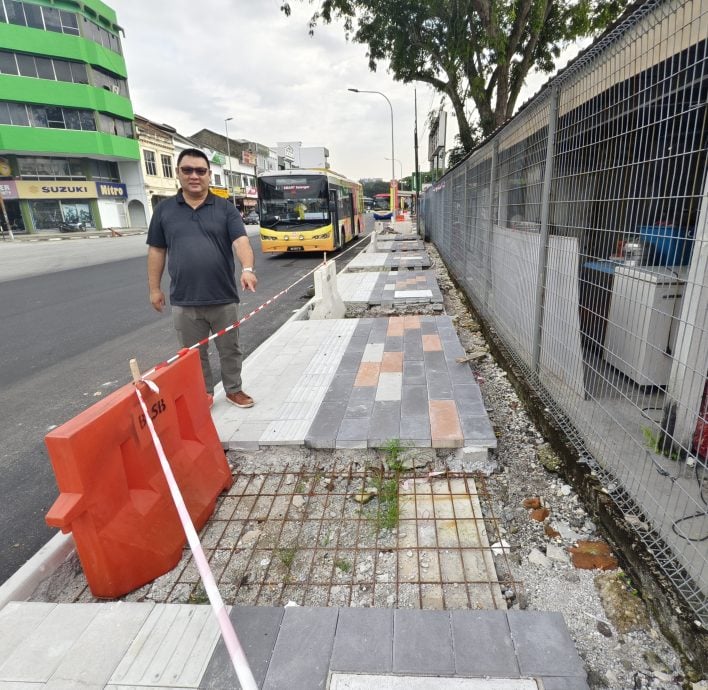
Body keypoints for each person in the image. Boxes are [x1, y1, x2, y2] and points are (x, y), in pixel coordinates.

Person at [146, 148, 258, 408]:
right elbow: (156, 251)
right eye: (188, 170)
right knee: (193, 354)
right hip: (184, 300)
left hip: (223, 297)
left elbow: (241, 241)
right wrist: (154, 289)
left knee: (230, 349)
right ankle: (204, 393)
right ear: (178, 173)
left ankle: (233, 390)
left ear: (209, 175)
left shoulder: (225, 209)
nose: (194, 175)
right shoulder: (164, 211)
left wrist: (248, 269)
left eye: (200, 171)